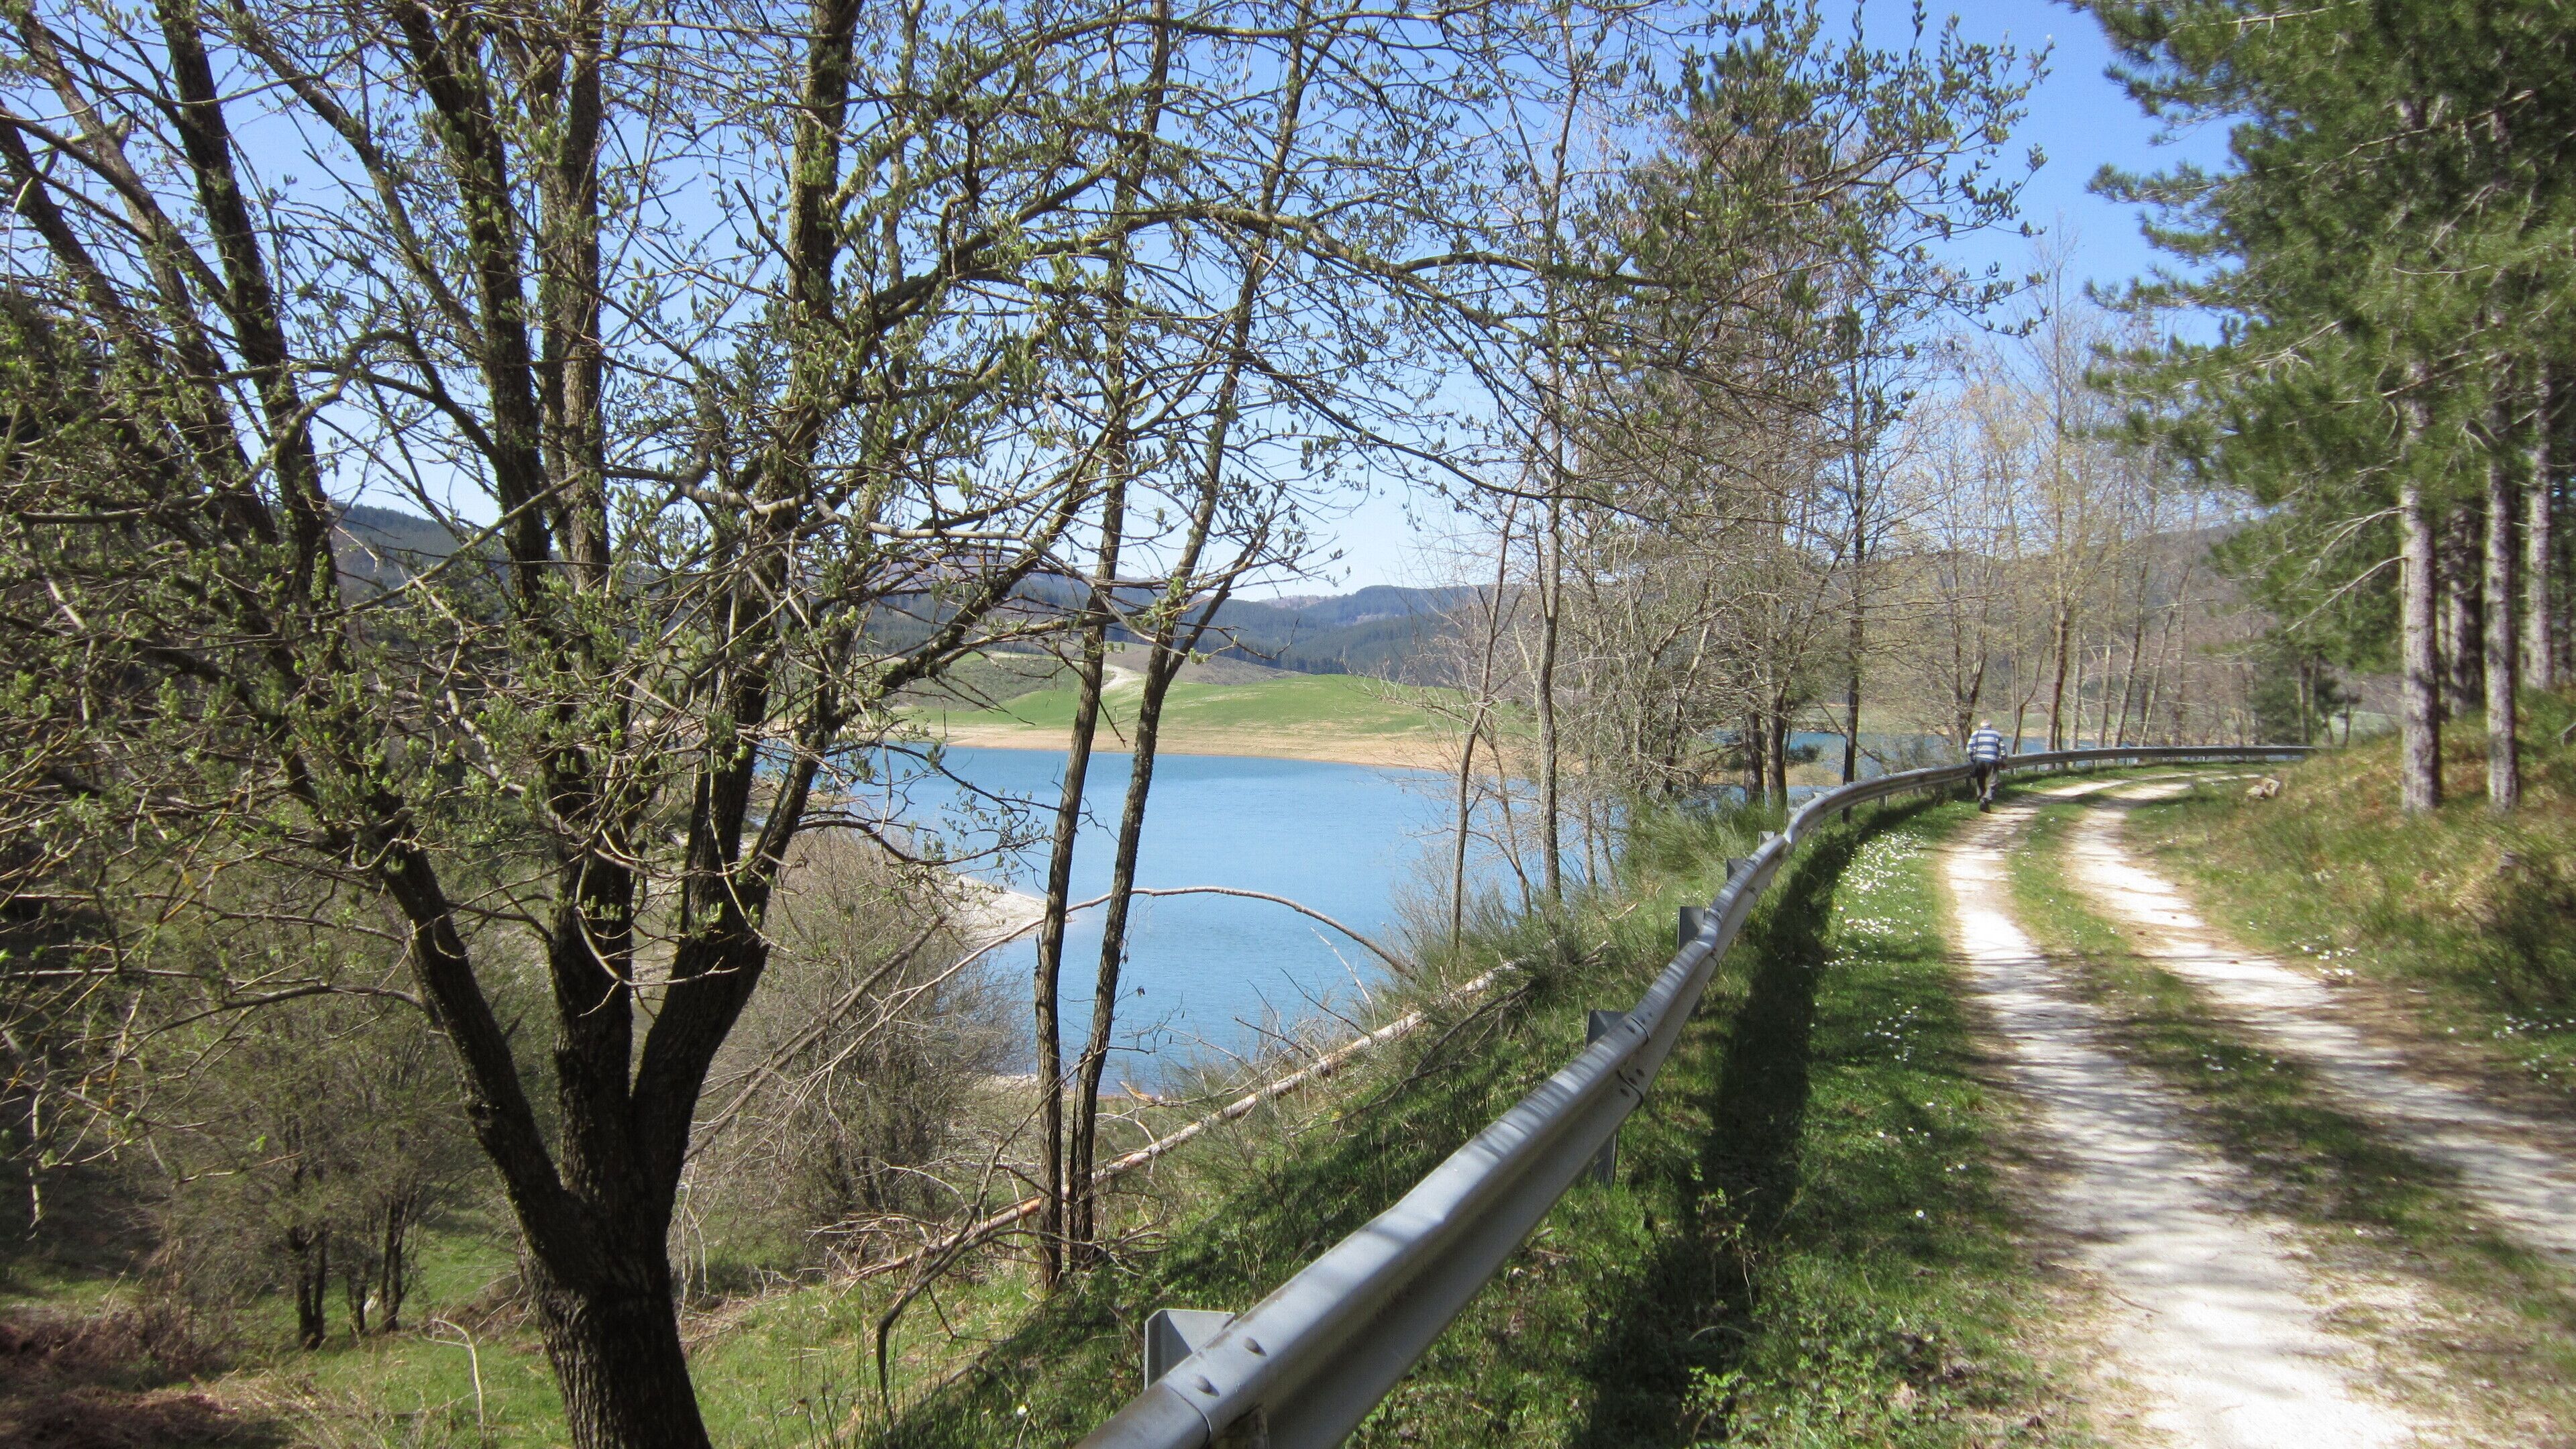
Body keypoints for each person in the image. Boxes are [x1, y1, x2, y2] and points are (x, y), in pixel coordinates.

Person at [1966, 719, 2008, 810]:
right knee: (1993, 781)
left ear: (1981, 726)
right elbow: (2003, 749)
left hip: (1979, 760)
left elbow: (1969, 749)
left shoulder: (1976, 733)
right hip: (1993, 760)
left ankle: (1981, 797)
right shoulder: (1997, 734)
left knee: (1980, 780)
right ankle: (1986, 799)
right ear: (1990, 726)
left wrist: (1972, 759)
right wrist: (2004, 760)